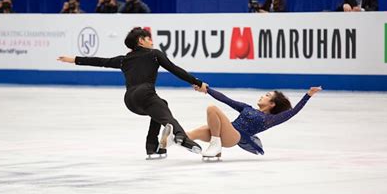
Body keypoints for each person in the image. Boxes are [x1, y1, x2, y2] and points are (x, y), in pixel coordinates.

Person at [57, 27, 208, 159]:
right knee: (163, 112)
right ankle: (181, 135)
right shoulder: (154, 54)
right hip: (145, 93)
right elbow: (175, 69)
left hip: (130, 100)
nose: (152, 42)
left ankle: (151, 146)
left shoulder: (124, 60)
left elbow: (100, 61)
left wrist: (74, 59)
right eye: (149, 39)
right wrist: (198, 83)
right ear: (141, 41)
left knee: (161, 106)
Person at [169, 86, 322, 159]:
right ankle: (170, 140)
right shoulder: (247, 108)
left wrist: (307, 95)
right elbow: (226, 99)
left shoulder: (270, 120)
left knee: (212, 109)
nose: (262, 96)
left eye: (267, 95)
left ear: (272, 104)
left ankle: (216, 146)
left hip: (234, 137)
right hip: (226, 131)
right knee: (198, 131)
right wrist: (207, 89)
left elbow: (292, 112)